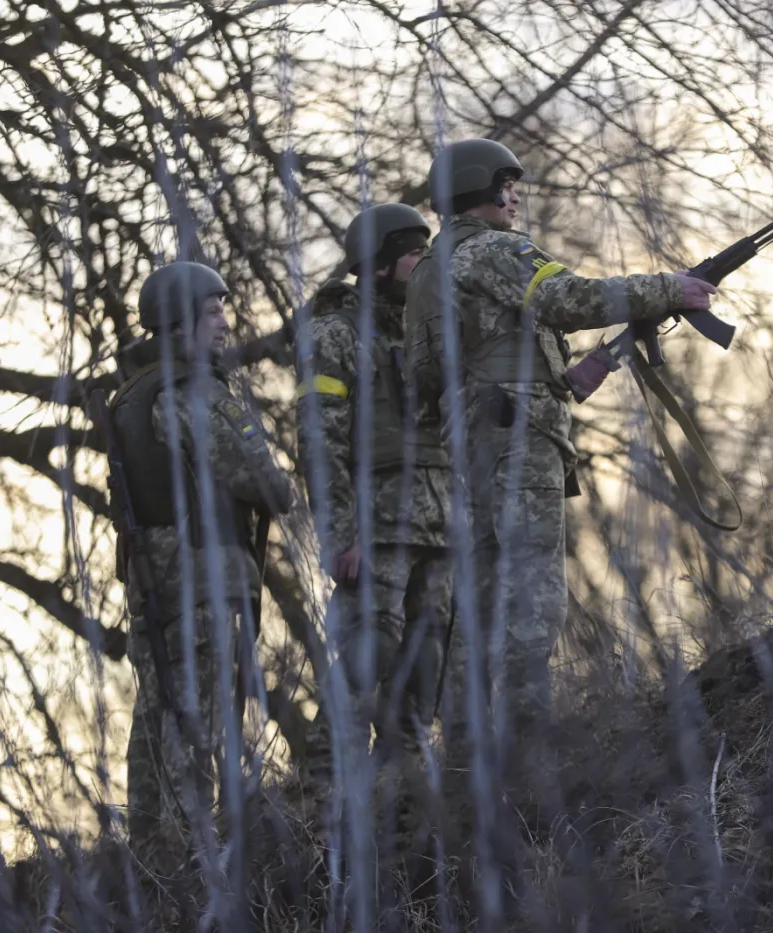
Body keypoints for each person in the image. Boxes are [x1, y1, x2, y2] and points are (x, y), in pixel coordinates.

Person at [403, 139, 717, 812]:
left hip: (474, 440)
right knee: (531, 599)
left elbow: (438, 372)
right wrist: (672, 289)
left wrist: (555, 378)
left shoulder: (431, 270)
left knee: (479, 603)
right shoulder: (491, 248)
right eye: (506, 185)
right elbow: (570, 297)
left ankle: (464, 767)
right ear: (478, 192)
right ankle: (525, 762)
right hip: (518, 444)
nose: (515, 197)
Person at [111, 260, 292, 882]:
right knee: (198, 716)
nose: (223, 322)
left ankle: (147, 859)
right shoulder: (191, 390)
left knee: (156, 710)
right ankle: (192, 860)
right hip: (200, 577)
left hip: (149, 580)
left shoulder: (131, 394)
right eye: (211, 311)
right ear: (178, 324)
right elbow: (263, 483)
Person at [293, 203, 452, 857]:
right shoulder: (333, 337)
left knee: (426, 665)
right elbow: (320, 442)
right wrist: (338, 535)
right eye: (414, 256)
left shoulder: (428, 333)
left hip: (440, 526)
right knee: (366, 655)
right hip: (376, 527)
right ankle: (324, 794)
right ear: (379, 265)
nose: (425, 267)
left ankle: (403, 790)